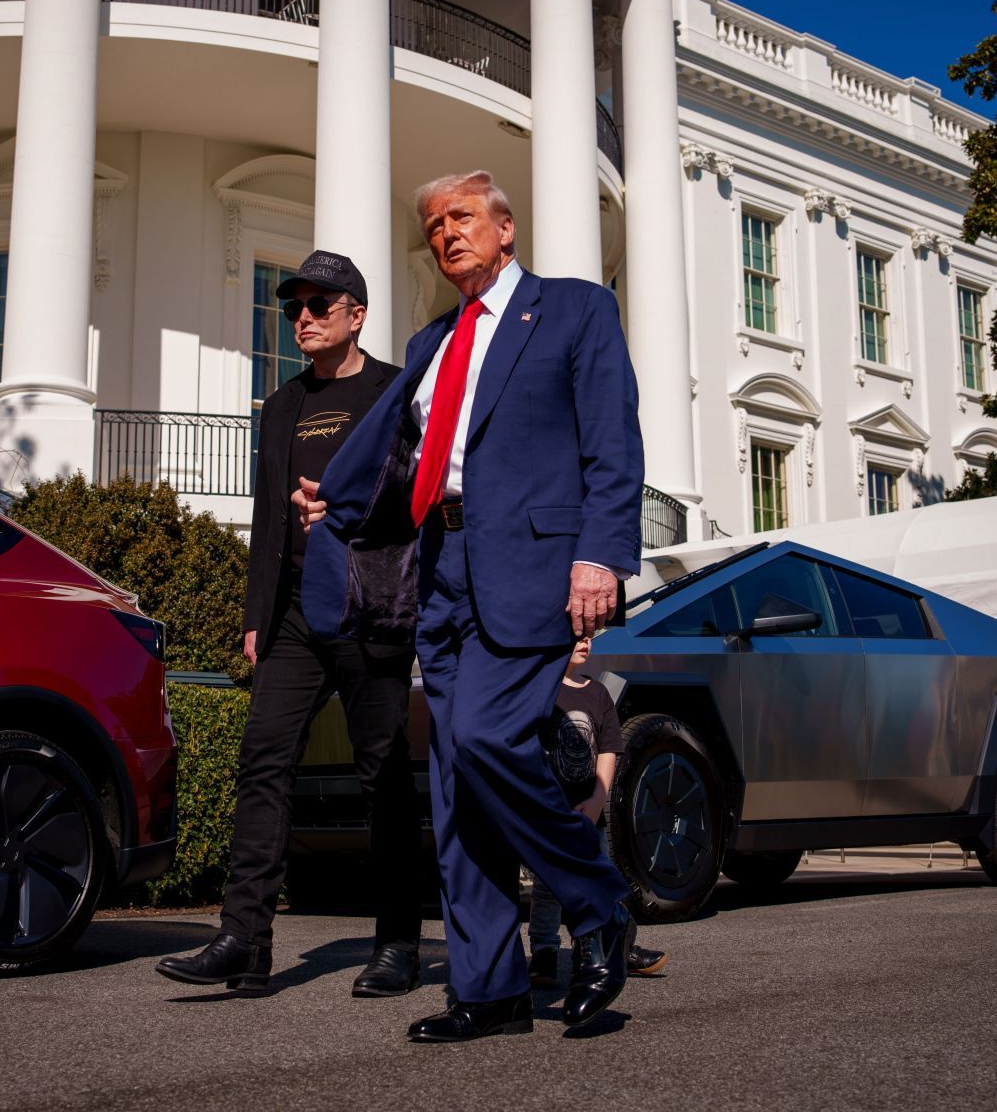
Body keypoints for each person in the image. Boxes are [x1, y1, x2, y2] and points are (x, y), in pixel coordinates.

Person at [297, 170, 646, 1042]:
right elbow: (405, 460)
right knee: (456, 787)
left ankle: (598, 903)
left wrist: (600, 554)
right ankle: (489, 989)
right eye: (432, 226)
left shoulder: (573, 310)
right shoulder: (429, 343)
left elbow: (612, 438)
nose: (445, 234)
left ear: (505, 228)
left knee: (490, 739)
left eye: (460, 218)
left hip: (534, 564)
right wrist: (336, 502)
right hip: (442, 571)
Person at [157, 250, 423, 997]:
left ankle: (398, 941)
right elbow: (267, 518)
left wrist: (350, 510)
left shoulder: (393, 392)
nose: (302, 317)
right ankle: (244, 938)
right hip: (296, 613)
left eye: (319, 304)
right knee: (263, 764)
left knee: (383, 777)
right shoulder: (280, 406)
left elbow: (421, 493)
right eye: (294, 307)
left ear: (356, 315)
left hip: (370, 607)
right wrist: (256, 614)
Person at [527, 637, 667, 988]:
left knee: (600, 878)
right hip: (550, 811)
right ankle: (543, 951)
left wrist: (595, 800)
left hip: (589, 811)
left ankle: (600, 948)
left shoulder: (598, 693)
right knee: (547, 886)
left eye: (589, 634)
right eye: (575, 635)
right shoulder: (539, 690)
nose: (585, 641)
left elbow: (608, 750)